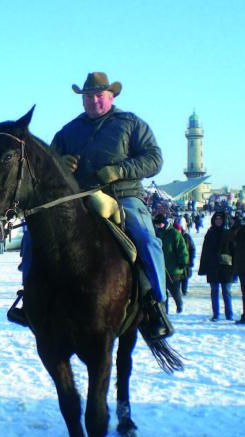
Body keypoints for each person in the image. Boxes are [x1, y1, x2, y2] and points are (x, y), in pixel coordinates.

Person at [50, 71, 172, 340]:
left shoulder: (130, 123)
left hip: (123, 197)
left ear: (111, 96)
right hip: (79, 198)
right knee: (37, 236)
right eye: (88, 97)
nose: (93, 101)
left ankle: (157, 305)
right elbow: (48, 166)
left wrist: (120, 170)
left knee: (146, 238)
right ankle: (31, 297)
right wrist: (61, 164)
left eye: (98, 96)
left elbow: (154, 159)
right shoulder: (68, 131)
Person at [198, 211, 235, 321]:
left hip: (226, 266)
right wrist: (203, 267)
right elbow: (204, 251)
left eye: (220, 219)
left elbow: (234, 250)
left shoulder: (229, 233)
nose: (218, 221)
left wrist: (235, 268)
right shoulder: (210, 233)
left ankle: (229, 314)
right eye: (216, 219)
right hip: (212, 266)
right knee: (214, 291)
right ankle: (216, 314)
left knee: (226, 291)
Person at [153, 214, 188, 314]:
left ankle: (179, 305)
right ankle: (164, 310)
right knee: (163, 291)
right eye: (157, 224)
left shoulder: (174, 233)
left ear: (165, 222)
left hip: (173, 269)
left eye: (161, 223)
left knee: (175, 291)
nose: (159, 225)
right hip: (160, 268)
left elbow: (182, 249)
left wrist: (183, 261)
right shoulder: (156, 234)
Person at [177, 223, 196, 296]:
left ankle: (184, 290)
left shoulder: (187, 237)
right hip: (176, 261)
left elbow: (192, 249)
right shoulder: (173, 237)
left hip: (186, 260)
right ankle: (177, 291)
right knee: (177, 277)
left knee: (185, 276)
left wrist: (191, 259)